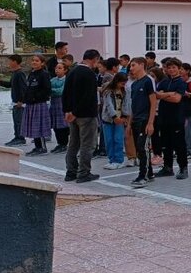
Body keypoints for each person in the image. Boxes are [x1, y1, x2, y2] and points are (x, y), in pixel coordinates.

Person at [62, 49, 102, 183]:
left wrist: (67, 111)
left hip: (72, 114)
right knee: (87, 144)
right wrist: (75, 112)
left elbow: (65, 93)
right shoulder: (89, 74)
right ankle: (84, 172)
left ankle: (71, 171)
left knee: (73, 143)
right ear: (94, 59)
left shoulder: (72, 71)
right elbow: (88, 96)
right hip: (86, 114)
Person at [154, 59, 189, 180]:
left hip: (176, 118)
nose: (171, 70)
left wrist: (164, 95)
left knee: (179, 145)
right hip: (164, 117)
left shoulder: (181, 82)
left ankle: (183, 168)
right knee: (165, 144)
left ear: (179, 68)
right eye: (169, 68)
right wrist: (169, 94)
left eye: (174, 67)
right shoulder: (164, 81)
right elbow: (157, 94)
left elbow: (177, 99)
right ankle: (167, 167)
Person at [127, 57, 158, 188]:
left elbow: (153, 102)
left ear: (141, 65)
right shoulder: (134, 84)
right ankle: (149, 173)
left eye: (133, 65)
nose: (131, 68)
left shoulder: (148, 81)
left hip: (144, 120)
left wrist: (150, 123)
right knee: (139, 148)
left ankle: (143, 175)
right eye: (131, 66)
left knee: (142, 147)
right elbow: (133, 106)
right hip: (136, 120)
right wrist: (129, 124)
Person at [0, 54, 27, 146]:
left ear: (15, 62)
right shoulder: (15, 73)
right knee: (16, 120)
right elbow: (10, 85)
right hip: (15, 102)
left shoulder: (20, 73)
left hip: (19, 102)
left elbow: (23, 88)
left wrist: (21, 100)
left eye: (10, 61)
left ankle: (20, 138)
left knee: (19, 121)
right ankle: (17, 136)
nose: (9, 63)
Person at [21, 54, 52, 155]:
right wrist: (25, 99)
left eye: (37, 61)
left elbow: (47, 89)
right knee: (33, 126)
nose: (34, 62)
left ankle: (42, 148)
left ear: (42, 63)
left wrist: (35, 97)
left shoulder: (44, 74)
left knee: (39, 126)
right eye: (33, 60)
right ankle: (37, 147)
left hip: (39, 104)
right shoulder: (32, 73)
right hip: (30, 104)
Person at [99, 72, 130, 169]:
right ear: (116, 81)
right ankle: (111, 160)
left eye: (124, 83)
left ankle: (119, 160)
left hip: (120, 119)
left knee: (118, 139)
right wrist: (114, 116)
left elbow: (126, 103)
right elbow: (109, 105)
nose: (123, 85)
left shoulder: (125, 91)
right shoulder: (108, 90)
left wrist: (124, 116)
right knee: (109, 140)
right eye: (121, 83)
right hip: (108, 119)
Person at [49, 62, 70, 153]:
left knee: (63, 124)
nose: (57, 70)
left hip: (62, 103)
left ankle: (64, 143)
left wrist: (51, 90)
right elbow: (47, 89)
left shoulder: (67, 80)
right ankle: (59, 143)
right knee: (56, 125)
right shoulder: (53, 80)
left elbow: (61, 91)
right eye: (56, 68)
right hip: (54, 104)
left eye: (60, 68)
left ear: (65, 70)